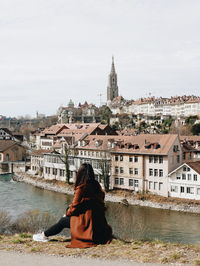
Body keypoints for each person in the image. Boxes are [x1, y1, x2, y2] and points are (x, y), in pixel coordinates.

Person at [33, 163, 112, 248]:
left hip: (87, 223)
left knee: (62, 221)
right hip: (98, 222)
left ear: (80, 174)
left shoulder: (81, 188)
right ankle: (44, 235)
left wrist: (67, 213)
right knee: (67, 216)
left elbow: (74, 206)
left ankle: (44, 235)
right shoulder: (97, 186)